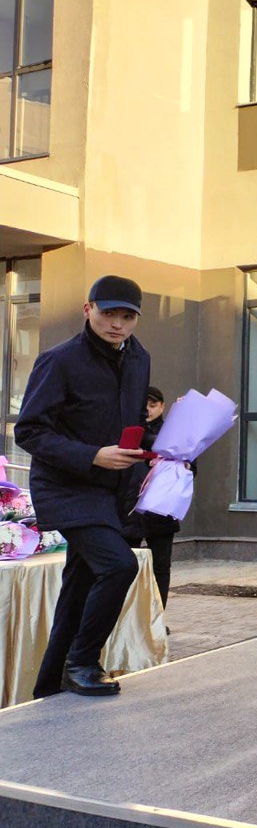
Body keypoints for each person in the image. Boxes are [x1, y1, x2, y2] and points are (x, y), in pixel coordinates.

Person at [19, 275, 151, 698]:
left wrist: (166, 445)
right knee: (118, 566)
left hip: (109, 491)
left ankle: (50, 686)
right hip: (66, 489)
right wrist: (93, 455)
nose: (117, 324)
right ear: (87, 308)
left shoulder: (139, 358)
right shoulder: (59, 360)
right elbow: (29, 431)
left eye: (127, 316)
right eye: (109, 313)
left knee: (79, 587)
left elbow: (132, 422)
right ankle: (82, 663)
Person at [122, 387, 181, 612]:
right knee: (126, 566)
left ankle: (157, 619)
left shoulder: (174, 432)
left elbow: (190, 467)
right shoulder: (129, 430)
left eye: (153, 405)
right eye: (144, 405)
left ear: (162, 406)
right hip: (130, 509)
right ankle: (125, 618)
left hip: (161, 510)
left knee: (161, 569)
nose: (148, 410)